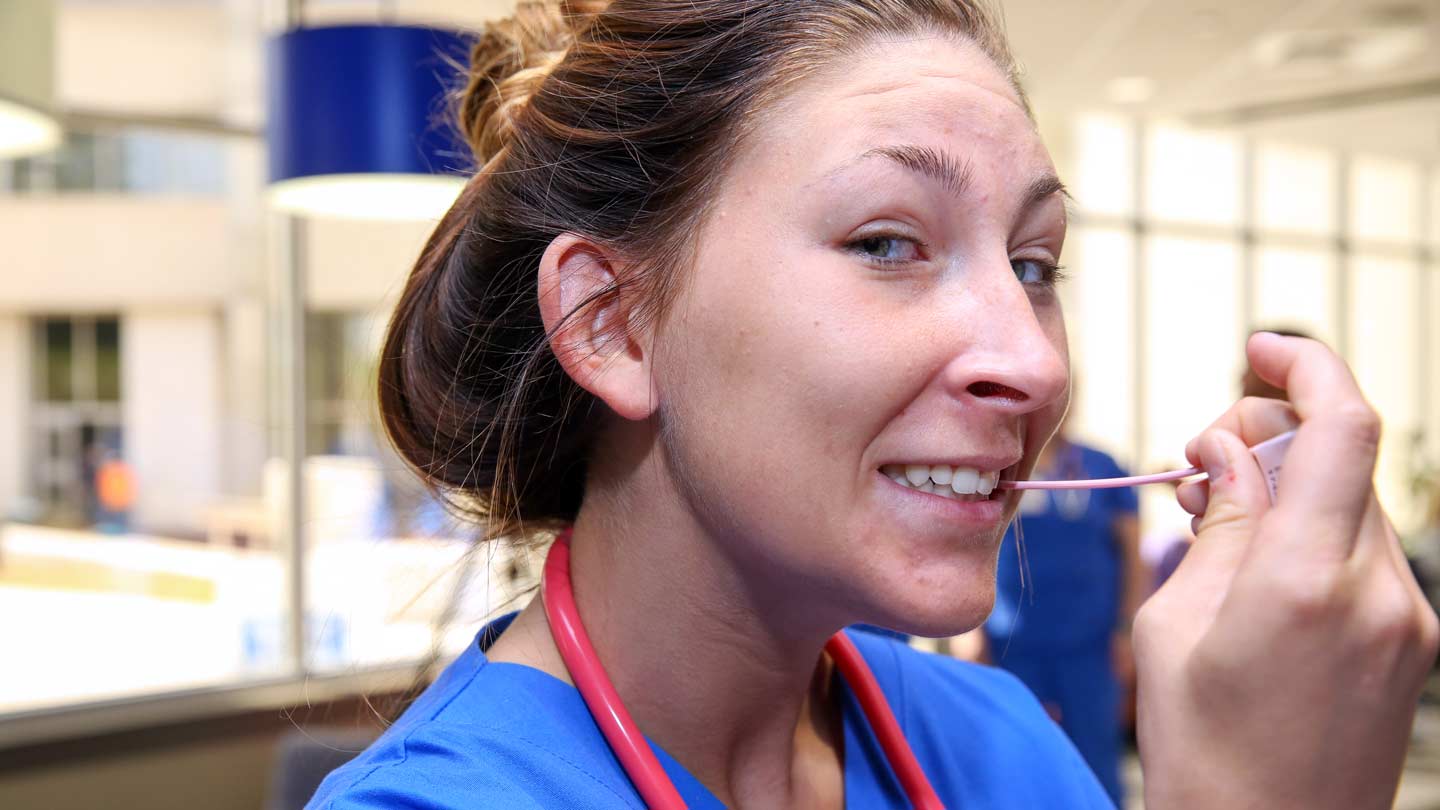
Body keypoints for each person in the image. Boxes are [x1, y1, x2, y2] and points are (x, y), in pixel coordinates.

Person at [307, 2, 1438, 808]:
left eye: (1035, 265)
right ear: (612, 324)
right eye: (888, 243)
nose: (1035, 368)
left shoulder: (1000, 749)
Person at [982, 420, 1143, 804]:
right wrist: (971, 635)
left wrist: (1126, 628)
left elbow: (1134, 559)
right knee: (1013, 761)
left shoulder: (1101, 467)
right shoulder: (996, 467)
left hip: (1090, 644)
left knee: (1095, 762)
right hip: (1012, 645)